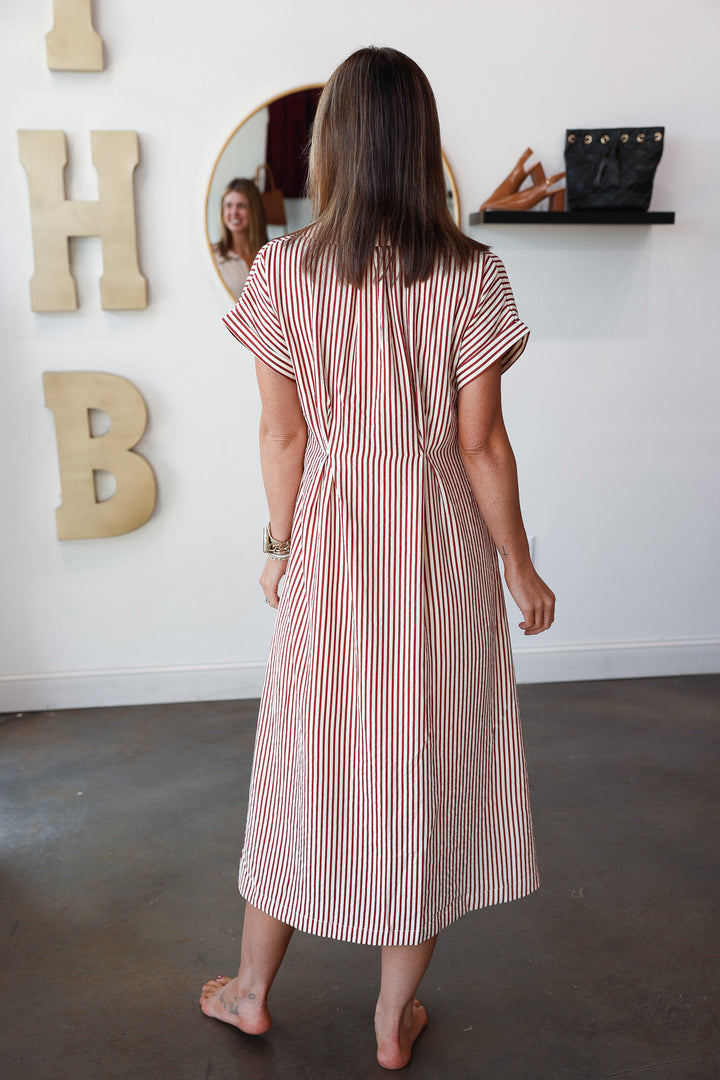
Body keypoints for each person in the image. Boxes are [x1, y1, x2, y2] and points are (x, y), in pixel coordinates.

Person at [201, 47, 555, 1070]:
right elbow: (480, 444)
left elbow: (283, 437)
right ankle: (391, 1022)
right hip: (443, 564)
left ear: (335, 145)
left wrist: (279, 545)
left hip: (332, 557)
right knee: (422, 772)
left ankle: (252, 993)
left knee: (302, 769)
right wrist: (520, 567)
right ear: (421, 145)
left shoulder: (283, 268)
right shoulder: (474, 272)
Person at [211, 178, 268, 298]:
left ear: (254, 210)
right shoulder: (213, 257)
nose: (234, 212)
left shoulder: (273, 256)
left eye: (241, 206)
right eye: (228, 205)